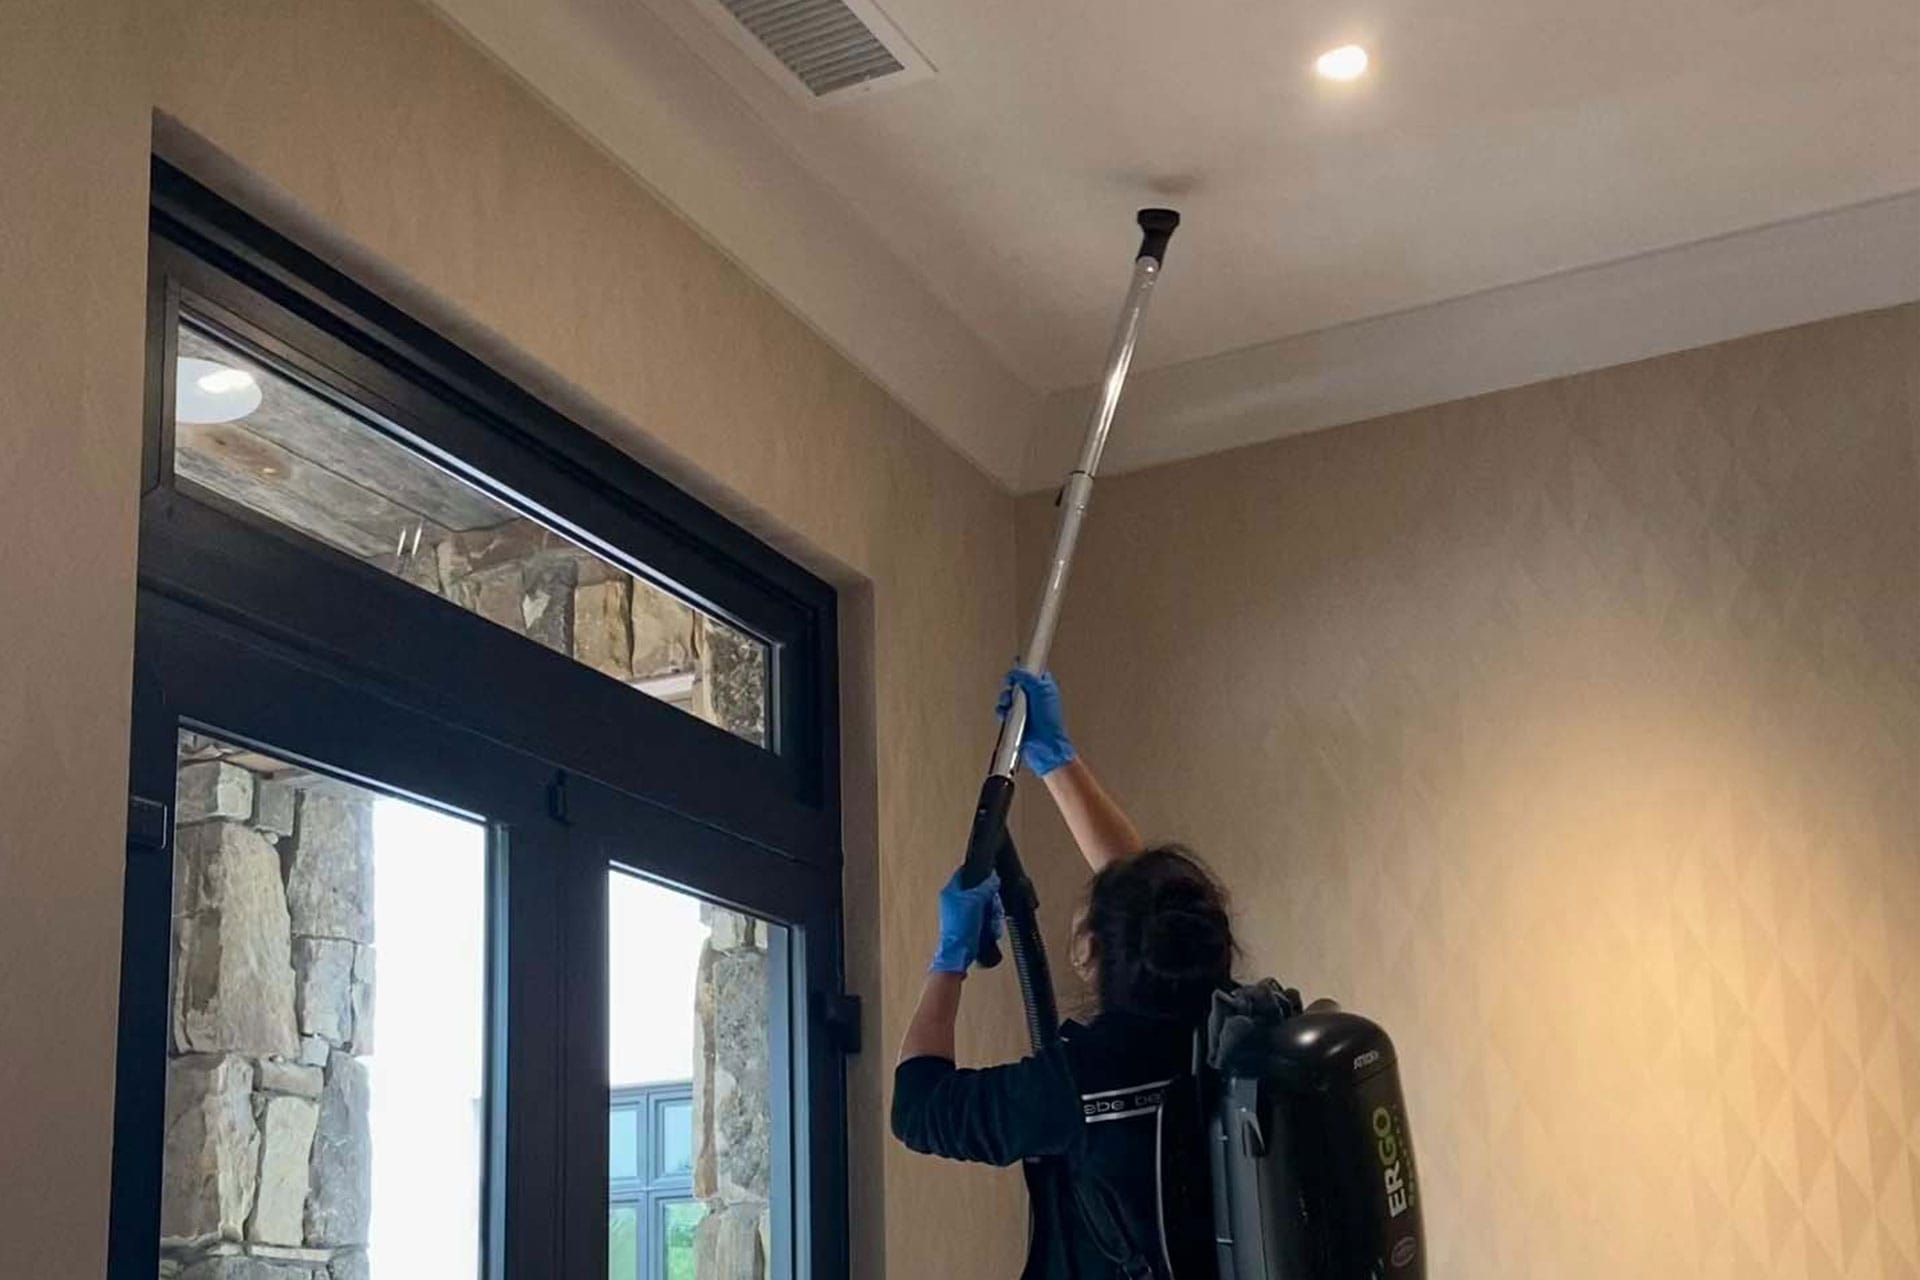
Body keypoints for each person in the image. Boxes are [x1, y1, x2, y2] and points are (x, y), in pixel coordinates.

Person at [891, 670, 1238, 1279]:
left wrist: (948, 961)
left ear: (1093, 953)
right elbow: (1150, 902)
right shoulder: (1243, 1032)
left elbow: (919, 1108)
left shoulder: (1076, 1088)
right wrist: (1057, 761)